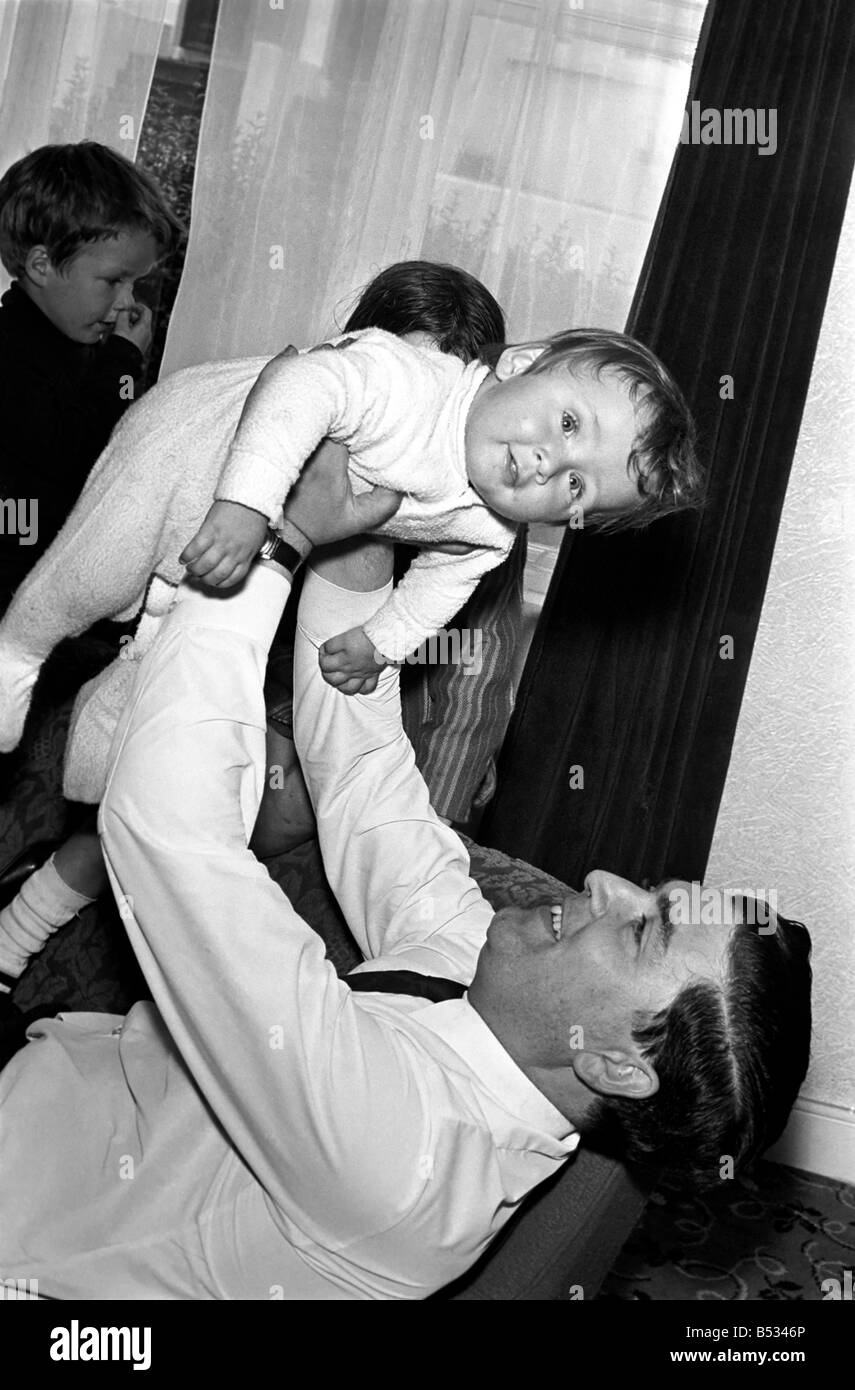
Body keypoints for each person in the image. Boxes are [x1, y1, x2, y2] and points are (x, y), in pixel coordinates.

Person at [0, 451, 812, 1299]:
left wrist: (273, 545)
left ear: (614, 1067)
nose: (606, 879)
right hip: (57, 1071)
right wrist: (366, 520)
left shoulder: (399, 1163)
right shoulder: (495, 977)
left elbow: (169, 837)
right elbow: (361, 775)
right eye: (652, 889)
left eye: (643, 926)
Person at [0, 261, 513, 990]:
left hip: (297, 699)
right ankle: (18, 928)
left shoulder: (458, 513)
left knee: (225, 802)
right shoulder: (303, 417)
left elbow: (409, 687)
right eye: (406, 368)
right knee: (150, 768)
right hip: (199, 629)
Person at [182, 321, 702, 692]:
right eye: (569, 423)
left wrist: (380, 643)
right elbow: (302, 380)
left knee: (158, 630)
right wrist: (246, 503)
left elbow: (440, 585)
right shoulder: (418, 386)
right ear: (521, 363)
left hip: (227, 540)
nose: (550, 464)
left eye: (575, 485)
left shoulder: (493, 531)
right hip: (201, 446)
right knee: (107, 577)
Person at [0, 140, 182, 609]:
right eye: (112, 281)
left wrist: (123, 369)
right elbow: (72, 450)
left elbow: (119, 422)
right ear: (41, 265)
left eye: (136, 282)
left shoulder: (79, 346)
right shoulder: (11, 350)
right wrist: (123, 360)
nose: (127, 301)